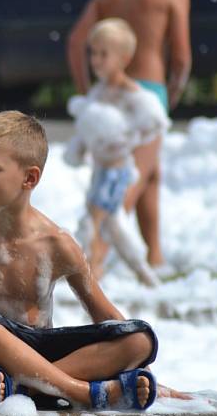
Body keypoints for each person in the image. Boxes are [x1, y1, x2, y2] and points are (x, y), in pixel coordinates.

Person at [0, 111, 186, 410]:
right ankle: (80, 392)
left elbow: (107, 318)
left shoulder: (56, 244)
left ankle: (29, 387)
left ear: (30, 177)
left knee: (140, 338)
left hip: (26, 369)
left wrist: (142, 367)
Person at [67, 0, 192, 270]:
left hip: (110, 93)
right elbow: (182, 59)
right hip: (146, 91)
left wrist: (87, 93)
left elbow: (76, 41)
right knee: (127, 182)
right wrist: (169, 96)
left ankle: (154, 256)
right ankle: (92, 265)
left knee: (150, 174)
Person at [64, 19, 169, 286]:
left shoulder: (131, 93)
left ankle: (90, 271)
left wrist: (125, 139)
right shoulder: (99, 92)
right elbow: (89, 127)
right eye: (92, 53)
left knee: (93, 218)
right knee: (112, 225)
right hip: (101, 169)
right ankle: (144, 275)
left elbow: (155, 123)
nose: (96, 60)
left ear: (124, 58)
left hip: (117, 171)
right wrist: (80, 148)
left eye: (103, 54)